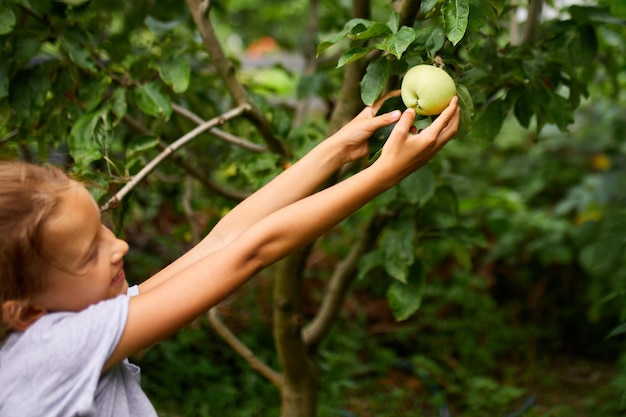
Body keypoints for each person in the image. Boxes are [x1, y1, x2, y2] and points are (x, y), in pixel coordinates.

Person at [0, 92, 460, 416]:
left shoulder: (71, 322)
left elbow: (222, 242)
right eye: (89, 254)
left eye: (103, 229)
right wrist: (382, 175)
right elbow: (249, 253)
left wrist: (337, 149)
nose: (118, 245)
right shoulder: (51, 351)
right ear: (27, 310)